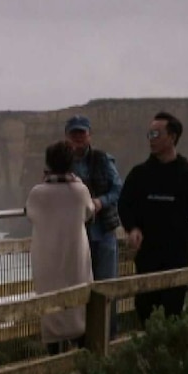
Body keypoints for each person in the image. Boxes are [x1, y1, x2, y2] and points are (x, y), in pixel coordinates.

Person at [118, 111, 188, 326]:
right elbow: (124, 204)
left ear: (173, 137)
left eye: (157, 134)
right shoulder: (139, 174)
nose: (152, 139)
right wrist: (132, 228)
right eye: (149, 134)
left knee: (172, 311)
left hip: (176, 256)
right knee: (145, 309)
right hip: (147, 255)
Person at [26, 141, 94, 354]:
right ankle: (82, 353)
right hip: (74, 255)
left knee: (50, 305)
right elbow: (89, 212)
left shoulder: (38, 192)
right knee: (79, 302)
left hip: (47, 257)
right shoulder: (80, 190)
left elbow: (30, 212)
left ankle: (54, 359)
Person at [63, 115, 123, 336]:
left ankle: (109, 338)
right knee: (78, 291)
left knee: (106, 289)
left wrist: (100, 202)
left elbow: (118, 188)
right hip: (76, 237)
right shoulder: (62, 163)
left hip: (103, 234)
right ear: (67, 137)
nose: (78, 137)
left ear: (89, 135)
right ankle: (83, 342)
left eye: (82, 133)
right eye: (74, 133)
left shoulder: (103, 159)